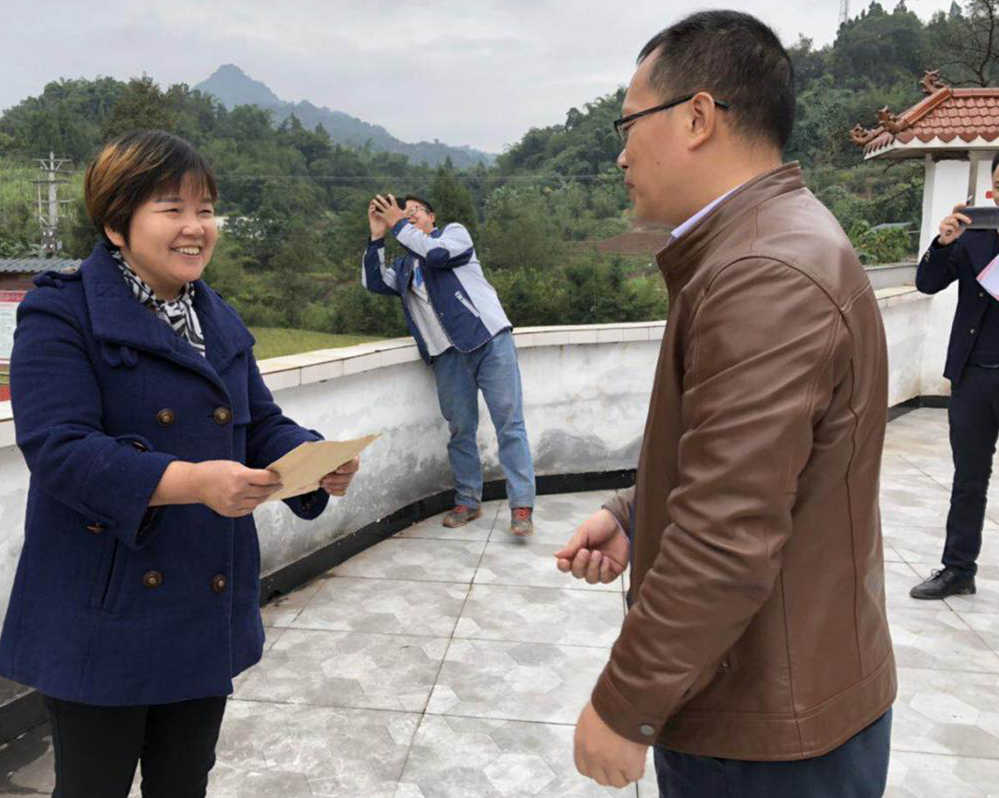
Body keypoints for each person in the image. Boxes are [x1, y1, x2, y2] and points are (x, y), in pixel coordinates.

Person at [553, 11, 895, 795]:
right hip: (774, 700)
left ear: (697, 117)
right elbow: (754, 463)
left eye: (628, 123)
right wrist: (635, 514)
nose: (620, 152)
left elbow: (726, 532)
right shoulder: (766, 244)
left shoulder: (764, 272)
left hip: (766, 733)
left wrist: (624, 705)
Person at [0, 130, 359, 797]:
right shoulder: (60, 313)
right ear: (116, 223)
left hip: (198, 596)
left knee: (184, 782)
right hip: (104, 605)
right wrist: (193, 482)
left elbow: (259, 423)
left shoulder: (215, 318)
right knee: (93, 786)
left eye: (205, 209)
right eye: (172, 209)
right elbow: (58, 450)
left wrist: (311, 459)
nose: (196, 227)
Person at [363, 193, 537, 535]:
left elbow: (437, 255)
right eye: (403, 214)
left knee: (509, 424)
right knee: (460, 430)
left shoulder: (453, 236)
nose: (408, 218)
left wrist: (397, 223)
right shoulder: (405, 268)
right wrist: (377, 235)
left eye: (414, 212)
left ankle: (521, 505)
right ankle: (468, 501)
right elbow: (373, 281)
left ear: (432, 216)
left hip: (489, 341)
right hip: (447, 356)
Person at [908, 159, 999, 600]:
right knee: (969, 480)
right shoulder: (973, 236)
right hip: (974, 376)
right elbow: (927, 283)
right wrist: (943, 243)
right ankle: (959, 569)